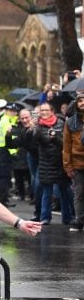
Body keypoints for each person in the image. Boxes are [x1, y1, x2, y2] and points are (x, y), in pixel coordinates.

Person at [34, 102, 74, 225]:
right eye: (42, 110)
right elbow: (37, 139)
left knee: (64, 191)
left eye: (46, 110)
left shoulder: (61, 124)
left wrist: (55, 137)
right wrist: (46, 135)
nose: (44, 112)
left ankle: (67, 218)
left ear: (52, 111)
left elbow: (65, 143)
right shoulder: (38, 127)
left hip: (60, 162)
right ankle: (45, 217)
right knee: (47, 191)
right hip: (46, 163)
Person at [63, 92, 84, 231]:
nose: (83, 103)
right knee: (79, 194)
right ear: (76, 104)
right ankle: (79, 221)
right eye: (80, 101)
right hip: (77, 164)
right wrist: (67, 165)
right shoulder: (71, 122)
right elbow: (66, 146)